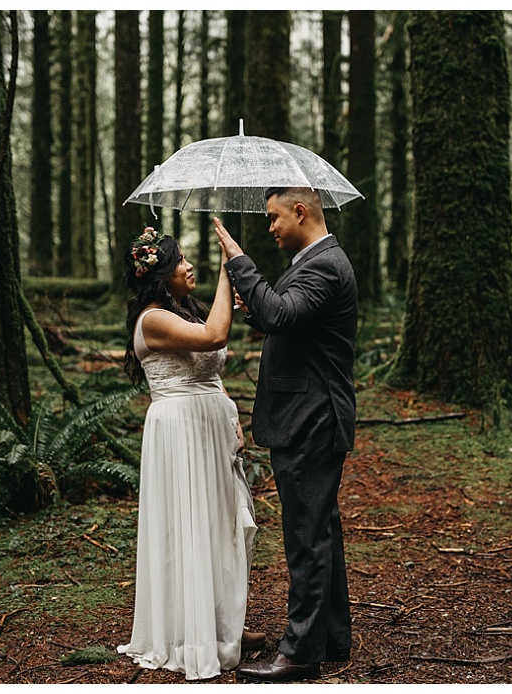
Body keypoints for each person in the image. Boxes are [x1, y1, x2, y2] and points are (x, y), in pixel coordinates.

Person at [217, 186, 359, 682]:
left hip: (312, 420)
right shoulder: (314, 262)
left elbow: (281, 313)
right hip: (308, 416)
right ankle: (332, 638)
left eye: (274, 217)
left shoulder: (323, 264)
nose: (270, 227)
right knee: (320, 531)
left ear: (301, 212)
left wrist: (240, 262)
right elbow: (286, 320)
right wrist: (256, 304)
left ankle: (299, 652)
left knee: (307, 536)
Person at [115, 224, 263, 680]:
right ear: (160, 272)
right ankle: (192, 635)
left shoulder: (182, 310)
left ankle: (223, 627)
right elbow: (216, 337)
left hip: (208, 427)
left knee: (219, 524)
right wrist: (228, 270)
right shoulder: (154, 320)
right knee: (189, 524)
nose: (188, 265)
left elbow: (209, 367)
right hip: (180, 430)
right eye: (180, 260)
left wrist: (229, 412)